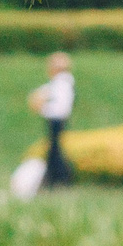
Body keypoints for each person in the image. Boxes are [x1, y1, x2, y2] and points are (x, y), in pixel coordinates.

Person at [30, 50, 78, 187]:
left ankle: (59, 179)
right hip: (57, 120)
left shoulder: (62, 83)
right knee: (54, 150)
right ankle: (56, 179)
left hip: (56, 120)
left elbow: (59, 107)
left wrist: (43, 109)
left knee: (55, 151)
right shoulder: (62, 82)